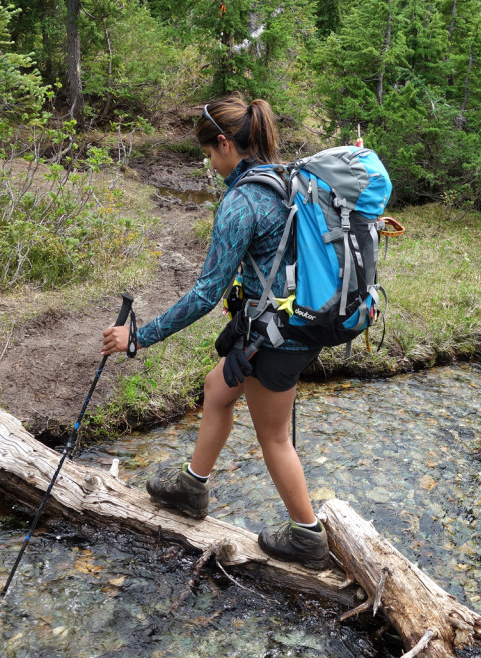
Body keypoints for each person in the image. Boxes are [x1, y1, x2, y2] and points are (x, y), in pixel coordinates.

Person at [100, 97, 329, 569]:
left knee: (275, 438)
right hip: (297, 324)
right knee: (216, 389)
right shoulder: (289, 179)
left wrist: (139, 337)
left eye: (208, 153)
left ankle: (308, 537)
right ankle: (191, 487)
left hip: (281, 336)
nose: (209, 163)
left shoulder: (243, 200)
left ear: (225, 143)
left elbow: (206, 293)